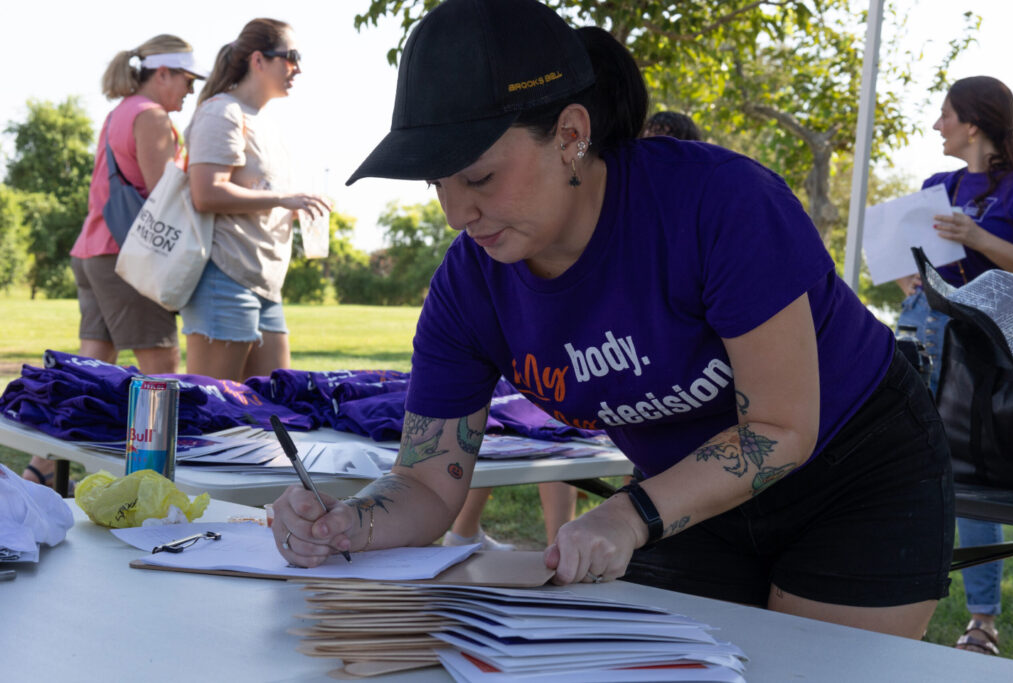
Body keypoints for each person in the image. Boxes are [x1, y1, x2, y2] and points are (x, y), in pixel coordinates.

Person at [272, 0, 953, 639]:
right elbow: (425, 480)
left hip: (854, 471)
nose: (457, 213)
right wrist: (347, 522)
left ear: (570, 135)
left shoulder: (719, 205)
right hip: (686, 494)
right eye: (437, 184)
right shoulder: (468, 284)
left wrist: (629, 514)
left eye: (478, 178)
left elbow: (778, 430)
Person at [22, 35, 206, 489]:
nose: (190, 90)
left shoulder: (118, 113)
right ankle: (162, 487)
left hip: (94, 251)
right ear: (161, 72)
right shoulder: (151, 116)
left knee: (88, 373)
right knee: (162, 374)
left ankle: (40, 472)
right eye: (186, 79)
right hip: (129, 260)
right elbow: (166, 194)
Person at [896, 75, 1013, 656]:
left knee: (967, 475)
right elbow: (918, 261)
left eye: (944, 114)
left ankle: (982, 624)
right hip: (922, 332)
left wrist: (976, 235)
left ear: (972, 122)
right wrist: (910, 273)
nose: (936, 125)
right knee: (905, 469)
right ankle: (899, 609)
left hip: (984, 350)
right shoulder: (935, 185)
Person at [182, 18, 331, 383]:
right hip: (226, 278)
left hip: (266, 282)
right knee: (212, 412)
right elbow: (206, 193)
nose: (297, 68)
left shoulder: (264, 121)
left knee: (274, 410)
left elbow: (256, 196)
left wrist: (294, 209)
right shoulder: (222, 112)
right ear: (257, 60)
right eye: (290, 56)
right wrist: (282, 198)